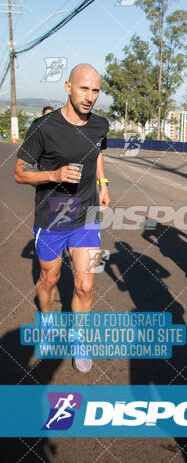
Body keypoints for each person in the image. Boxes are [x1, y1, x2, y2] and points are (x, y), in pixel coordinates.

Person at [14, 64, 110, 374]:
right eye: (84, 88)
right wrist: (53, 174)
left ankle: (79, 338)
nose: (90, 96)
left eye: (95, 91)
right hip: (51, 218)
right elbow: (19, 173)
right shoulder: (44, 127)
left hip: (87, 215)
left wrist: (103, 183)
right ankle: (46, 323)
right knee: (50, 278)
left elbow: (96, 152)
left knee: (85, 285)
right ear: (68, 87)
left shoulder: (100, 125)